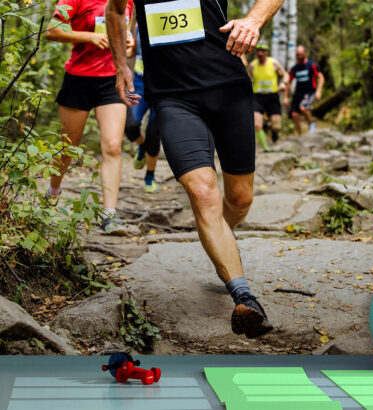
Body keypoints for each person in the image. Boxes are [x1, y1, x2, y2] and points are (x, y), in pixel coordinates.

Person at [106, 0, 284, 339]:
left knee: (240, 199)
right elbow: (114, 10)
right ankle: (244, 297)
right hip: (173, 97)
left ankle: (219, 238)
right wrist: (121, 65)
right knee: (203, 193)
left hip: (228, 88)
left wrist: (254, 20)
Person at [46, 0, 135, 233]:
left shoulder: (128, 2)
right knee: (67, 147)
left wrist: (130, 44)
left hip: (112, 80)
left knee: (113, 146)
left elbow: (127, 47)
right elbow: (52, 31)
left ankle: (109, 216)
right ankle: (52, 193)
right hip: (78, 79)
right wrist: (90, 37)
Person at [124, 27, 161, 193]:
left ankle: (150, 176)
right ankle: (142, 146)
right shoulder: (140, 25)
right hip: (139, 84)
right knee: (130, 126)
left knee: (154, 134)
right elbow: (133, 51)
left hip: (164, 89)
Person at [248, 40, 289, 150]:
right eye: (258, 51)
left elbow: (285, 75)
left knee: (276, 126)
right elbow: (247, 79)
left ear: (266, 52)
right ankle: (266, 148)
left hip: (272, 96)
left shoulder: (274, 63)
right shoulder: (252, 65)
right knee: (257, 124)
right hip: (257, 97)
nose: (260, 53)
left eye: (263, 51)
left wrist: (283, 83)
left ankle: (273, 130)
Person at [284, 45, 324, 135]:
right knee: (294, 115)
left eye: (301, 54)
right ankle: (300, 136)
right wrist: (286, 97)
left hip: (309, 91)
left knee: (303, 108)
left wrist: (318, 91)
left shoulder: (311, 65)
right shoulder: (294, 68)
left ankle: (311, 123)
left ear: (305, 53)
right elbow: (289, 83)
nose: (300, 56)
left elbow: (321, 78)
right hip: (298, 92)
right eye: (298, 54)